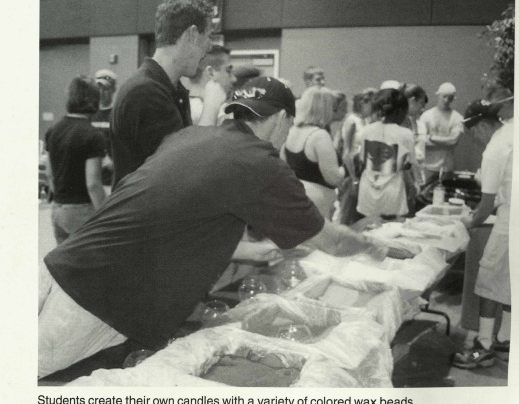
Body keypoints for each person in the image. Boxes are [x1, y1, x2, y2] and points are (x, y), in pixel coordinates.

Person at [38, 77, 393, 379]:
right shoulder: (258, 161)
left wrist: (252, 250)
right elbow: (331, 242)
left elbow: (171, 218)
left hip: (64, 264)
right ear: (282, 118)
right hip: (94, 293)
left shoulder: (190, 137)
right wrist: (368, 244)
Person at [110, 0, 226, 186]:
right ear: (192, 35)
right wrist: (211, 107)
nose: (209, 47)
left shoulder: (168, 89)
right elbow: (185, 167)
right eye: (208, 36)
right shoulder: (145, 93)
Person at [453, 92, 514, 369]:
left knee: (489, 278)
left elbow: (486, 206)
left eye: (474, 133)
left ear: (481, 126)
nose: (476, 139)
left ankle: (485, 345)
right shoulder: (514, 130)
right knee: (513, 278)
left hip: (513, 219)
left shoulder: (494, 149)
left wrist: (465, 222)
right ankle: (507, 339)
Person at [44, 76, 106, 244]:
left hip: (57, 208)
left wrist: (61, 198)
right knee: (90, 264)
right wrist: (105, 215)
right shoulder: (93, 135)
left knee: (66, 264)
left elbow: (50, 173)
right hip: (81, 210)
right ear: (94, 101)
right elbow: (93, 184)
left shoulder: (53, 131)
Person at [357, 89, 420, 225]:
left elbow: (362, 160)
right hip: (392, 189)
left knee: (369, 228)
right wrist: (415, 185)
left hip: (367, 187)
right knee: (391, 230)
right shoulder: (405, 134)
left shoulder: (366, 130)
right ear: (402, 111)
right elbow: (412, 164)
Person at [284, 87, 345, 219]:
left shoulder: (292, 130)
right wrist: (345, 169)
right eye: (333, 107)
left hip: (294, 196)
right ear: (326, 108)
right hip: (317, 202)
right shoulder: (319, 136)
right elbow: (333, 178)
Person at [334, 88, 376, 225]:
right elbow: (346, 151)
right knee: (347, 212)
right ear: (363, 103)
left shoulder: (366, 121)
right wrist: (353, 178)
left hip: (362, 169)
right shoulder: (351, 120)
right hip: (351, 170)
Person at [418, 81, 464, 183]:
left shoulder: (457, 118)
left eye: (450, 97)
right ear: (438, 95)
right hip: (427, 167)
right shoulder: (426, 116)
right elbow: (421, 141)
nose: (447, 100)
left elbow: (453, 141)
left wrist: (431, 137)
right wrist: (445, 143)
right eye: (444, 96)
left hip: (446, 168)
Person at [183, 44, 237, 125]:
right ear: (211, 72)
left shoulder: (183, 108)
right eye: (228, 71)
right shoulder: (199, 112)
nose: (234, 79)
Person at [401, 84, 429, 213]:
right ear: (412, 100)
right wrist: (412, 182)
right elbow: (405, 158)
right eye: (421, 103)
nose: (422, 108)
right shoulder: (400, 121)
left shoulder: (407, 120)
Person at [91, 69, 118, 186]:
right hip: (91, 178)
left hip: (110, 180)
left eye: (106, 89)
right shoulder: (89, 114)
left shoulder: (117, 115)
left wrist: (114, 163)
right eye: (99, 89)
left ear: (113, 90)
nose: (101, 93)